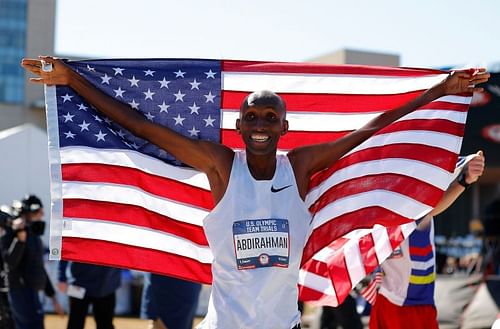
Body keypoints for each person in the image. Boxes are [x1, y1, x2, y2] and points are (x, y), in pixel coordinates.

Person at [21, 56, 489, 329]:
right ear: (239, 125)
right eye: (253, 117)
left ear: (285, 126)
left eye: (270, 117)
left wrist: (439, 90)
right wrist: (72, 81)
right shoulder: (222, 166)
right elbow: (142, 125)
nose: (261, 124)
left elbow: (369, 130)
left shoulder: (300, 167)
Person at [369, 151, 485, 329]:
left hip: (405, 299)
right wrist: (464, 180)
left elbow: (428, 210)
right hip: (399, 301)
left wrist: (464, 180)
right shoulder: (381, 195)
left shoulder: (397, 194)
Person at [1, 195, 64, 329]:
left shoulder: (34, 236)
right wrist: (20, 241)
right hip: (20, 291)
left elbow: (38, 267)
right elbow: (10, 263)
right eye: (37, 212)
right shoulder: (11, 233)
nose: (42, 215)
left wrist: (53, 297)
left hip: (33, 292)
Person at [57, 260, 121, 329]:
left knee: (106, 324)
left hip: (107, 286)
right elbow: (64, 250)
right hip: (79, 285)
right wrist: (62, 278)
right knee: (75, 323)